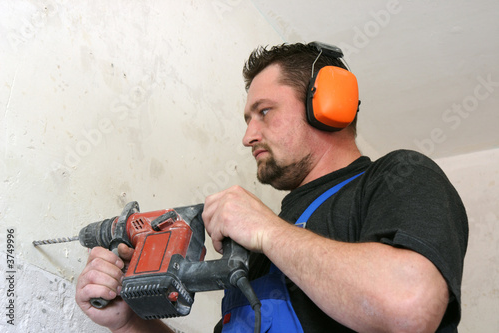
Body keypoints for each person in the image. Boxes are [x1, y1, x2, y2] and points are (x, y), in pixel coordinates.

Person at [76, 42, 468, 332]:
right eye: (248, 118)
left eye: (264, 112)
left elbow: (408, 307)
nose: (248, 136)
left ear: (329, 105)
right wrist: (128, 322)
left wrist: (265, 230)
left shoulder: (398, 176)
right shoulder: (262, 247)